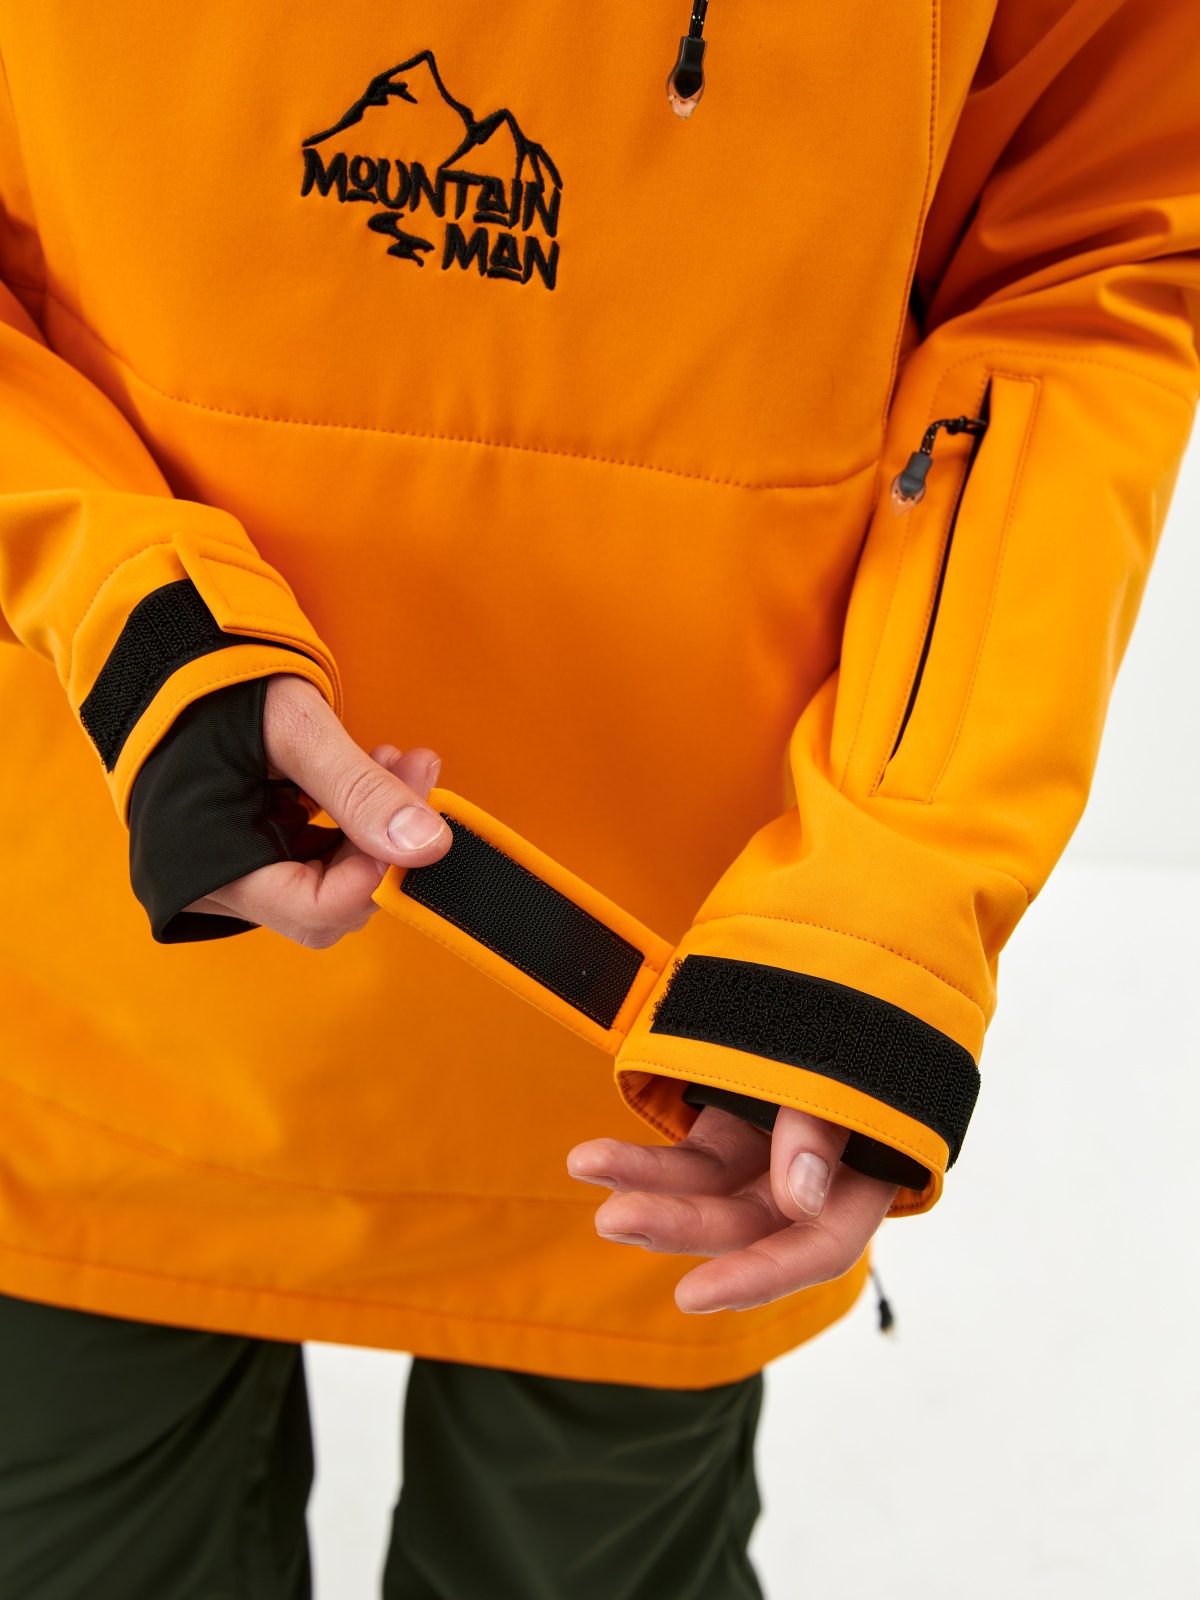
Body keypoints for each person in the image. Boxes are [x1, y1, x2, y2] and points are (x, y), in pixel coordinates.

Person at [0, 3, 1196, 1596]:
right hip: (89, 956)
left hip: (679, 1043)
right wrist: (129, 612)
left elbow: (1084, 257)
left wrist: (890, 888)